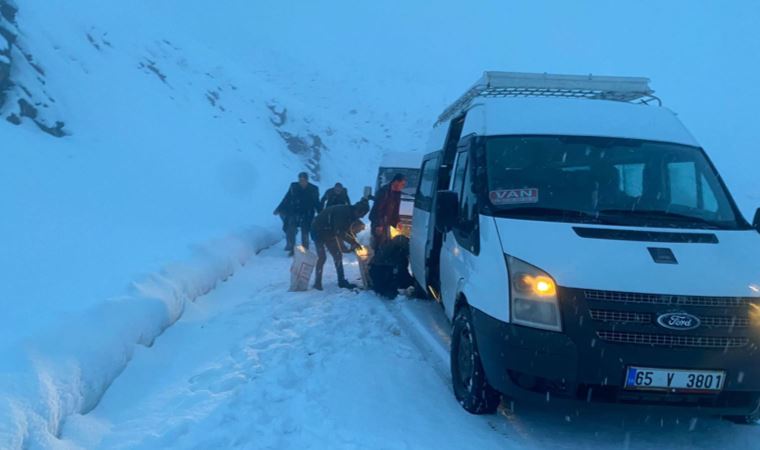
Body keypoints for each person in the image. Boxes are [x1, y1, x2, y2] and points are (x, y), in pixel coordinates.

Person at [311, 199, 370, 290]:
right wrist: (353, 242)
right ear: (358, 211)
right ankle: (317, 282)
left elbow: (347, 230)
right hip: (318, 230)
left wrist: (355, 242)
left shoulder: (352, 214)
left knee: (338, 255)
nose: (361, 217)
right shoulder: (342, 213)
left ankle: (341, 281)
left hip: (330, 231)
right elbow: (340, 232)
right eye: (361, 215)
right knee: (322, 257)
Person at [274, 172, 321, 256]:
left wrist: (321, 213)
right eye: (300, 180)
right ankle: (292, 249)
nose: (302, 182)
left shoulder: (313, 189)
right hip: (295, 212)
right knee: (291, 229)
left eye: (303, 180)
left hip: (307, 214)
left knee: (305, 232)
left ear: (307, 180)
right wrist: (279, 209)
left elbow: (317, 203)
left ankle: (305, 250)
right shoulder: (293, 186)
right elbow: (287, 198)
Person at [369, 173, 407, 249]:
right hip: (378, 223)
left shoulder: (397, 193)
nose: (403, 187)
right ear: (396, 182)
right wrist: (379, 225)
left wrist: (397, 221)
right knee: (379, 246)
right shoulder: (384, 191)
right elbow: (378, 209)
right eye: (402, 184)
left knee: (386, 244)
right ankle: (375, 259)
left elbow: (395, 210)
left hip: (386, 223)